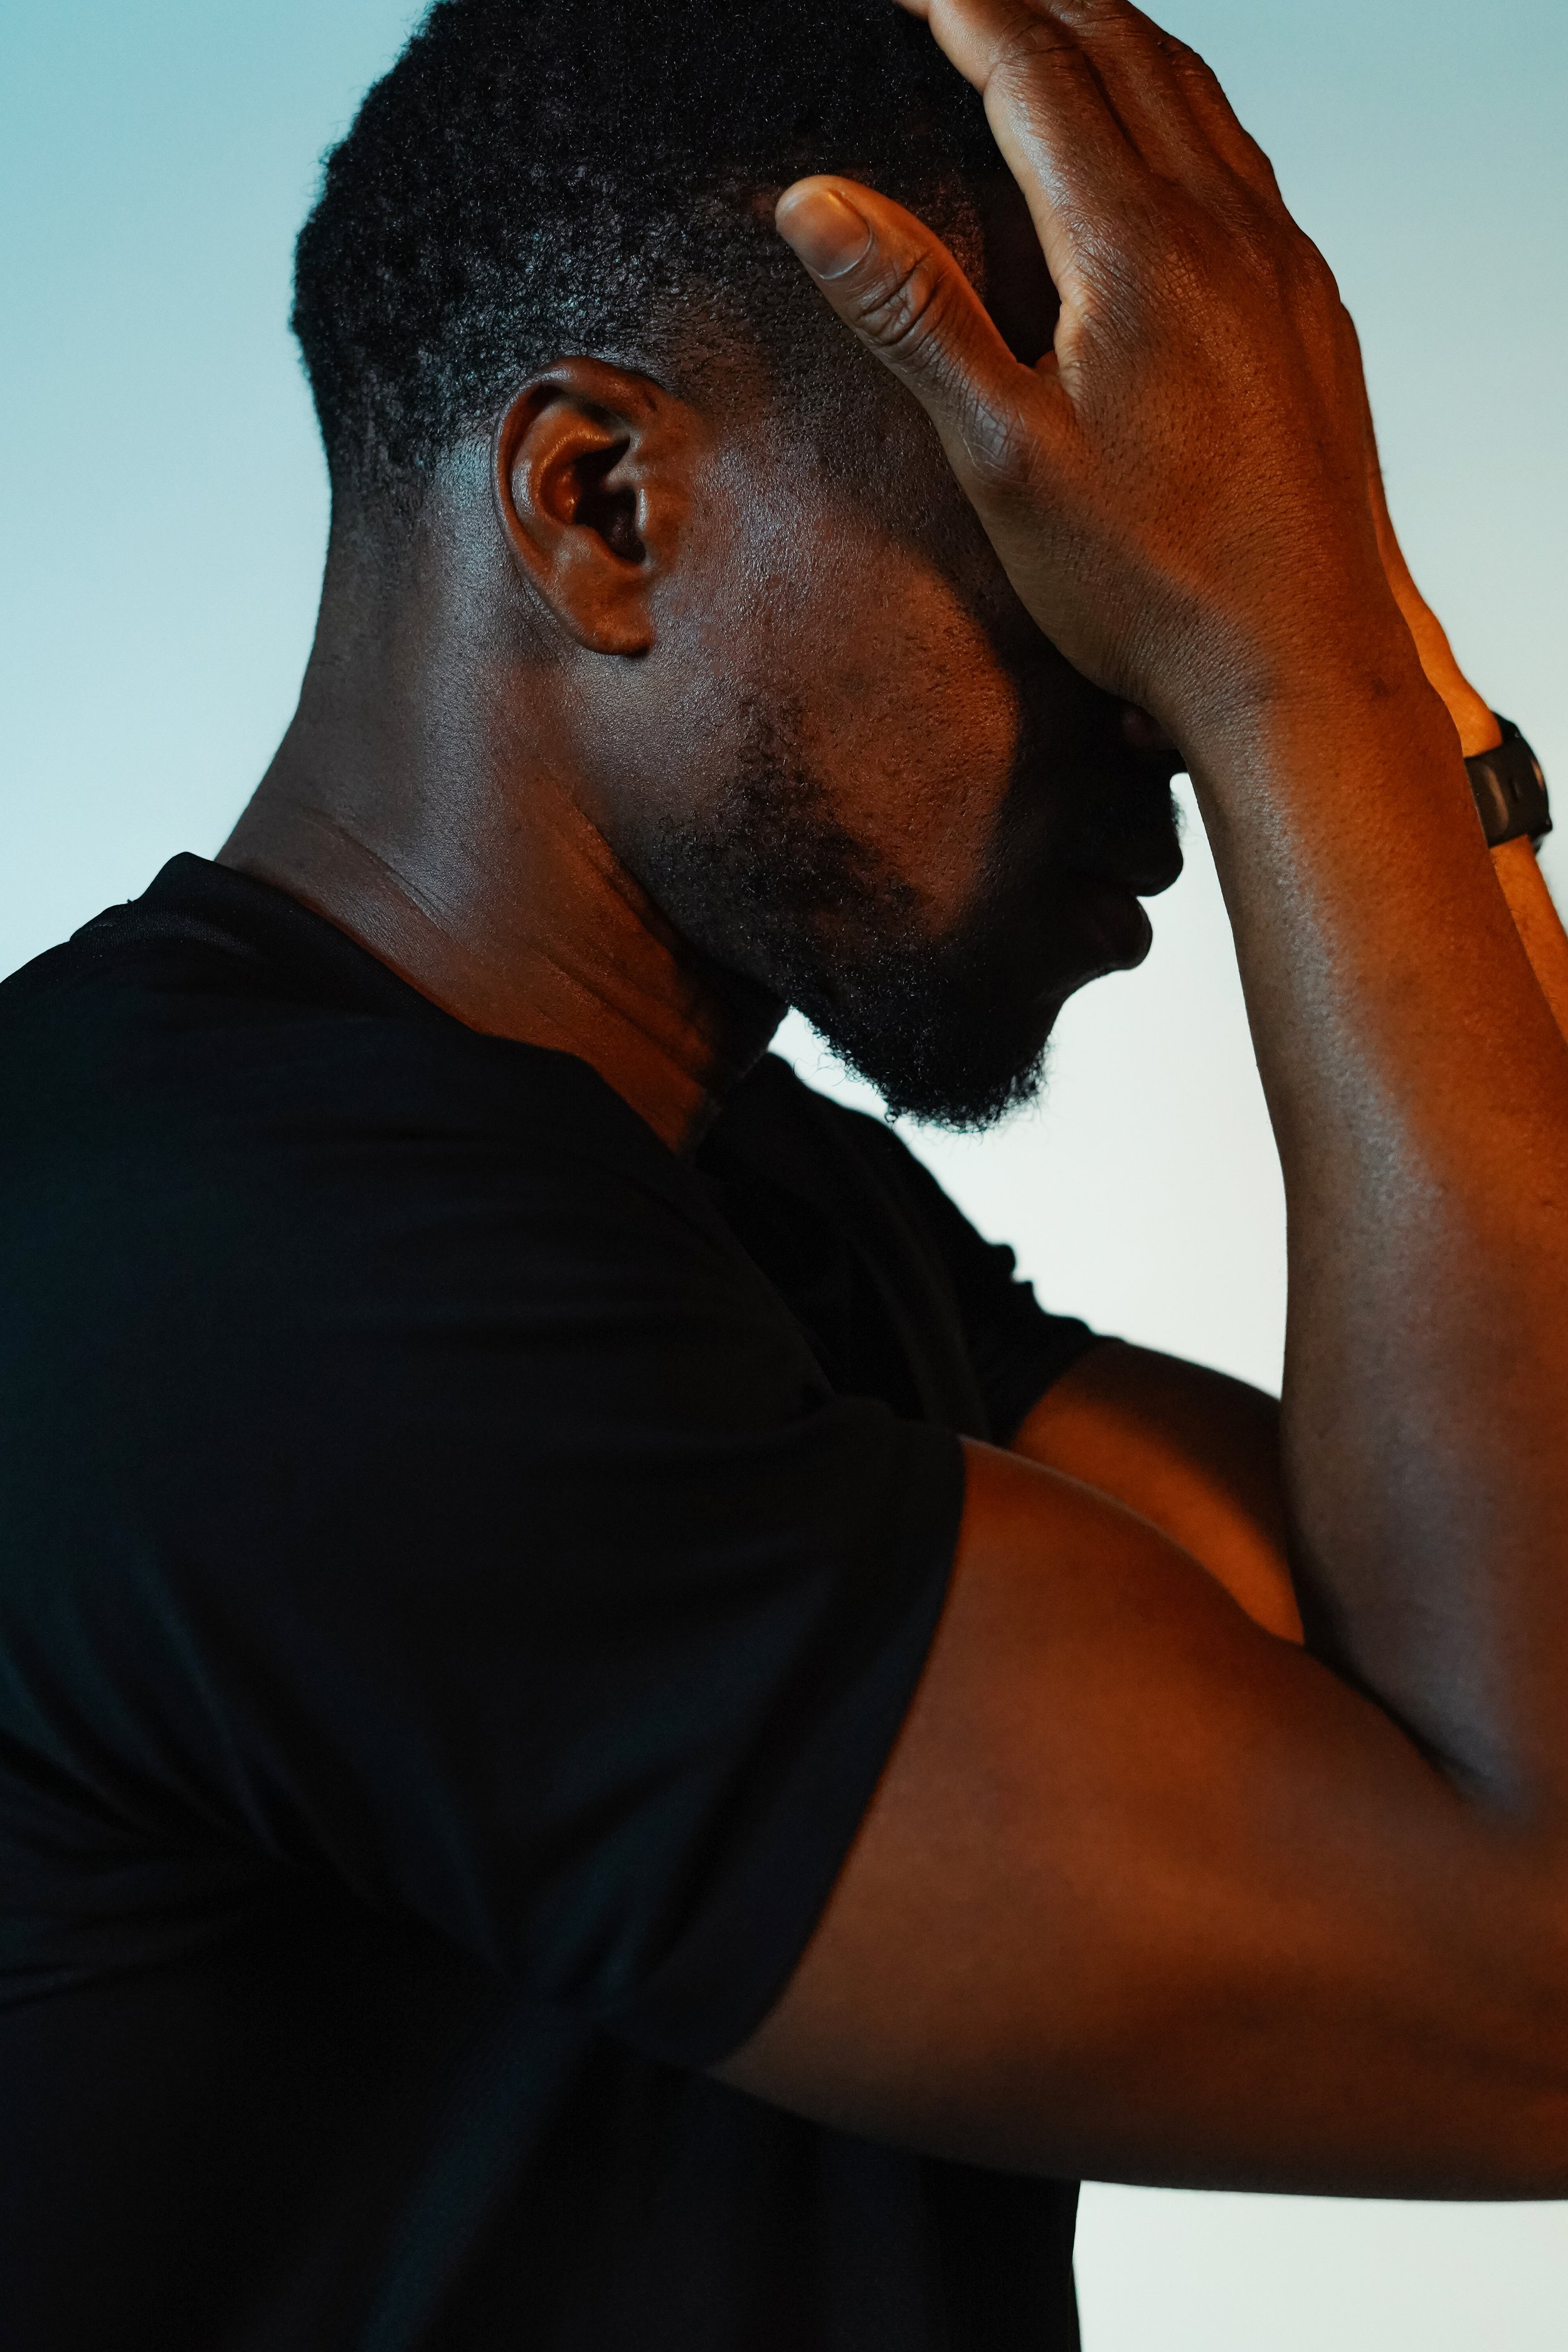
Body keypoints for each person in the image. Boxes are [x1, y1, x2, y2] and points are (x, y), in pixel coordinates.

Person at [2, 0, 1566, 2344]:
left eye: (1180, 559)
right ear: (600, 507)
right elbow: (1535, 1975)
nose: (1158, 701)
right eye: (1064, 555)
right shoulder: (238, 1276)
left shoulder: (715, 1200)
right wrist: (1299, 677)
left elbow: (1498, 1674)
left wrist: (1348, 646)